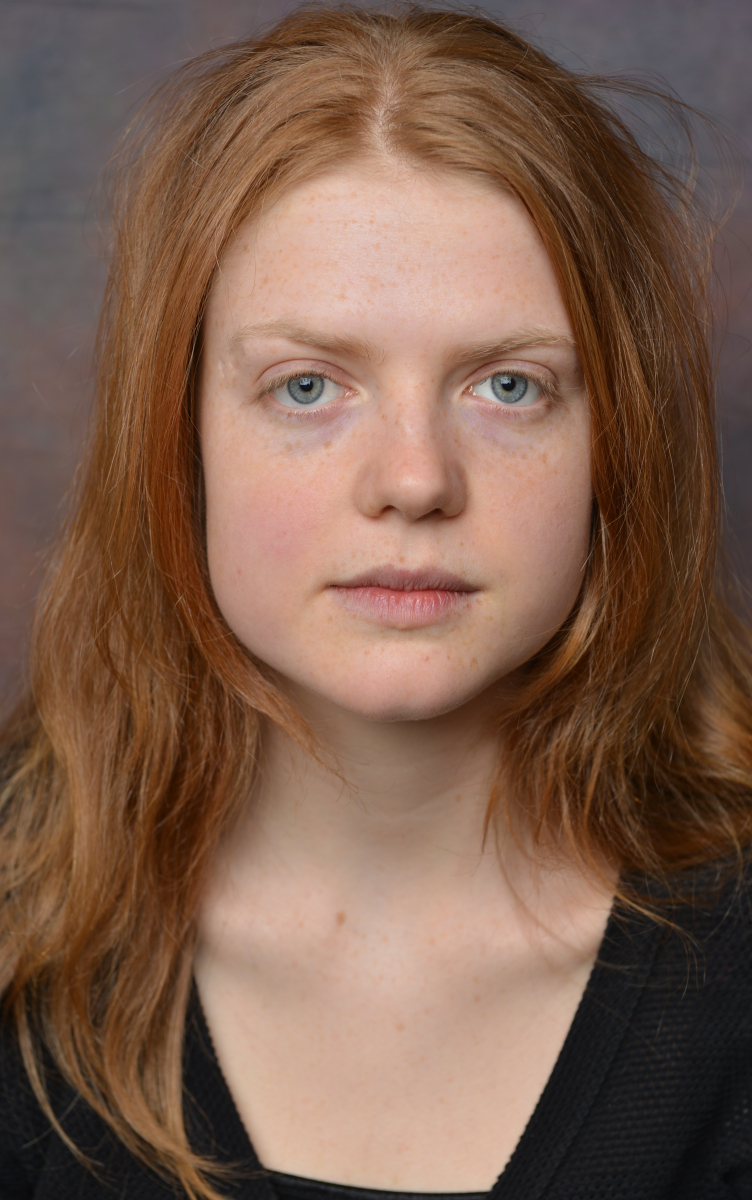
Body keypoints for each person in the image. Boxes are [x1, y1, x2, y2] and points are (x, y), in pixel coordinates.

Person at [0, 5, 750, 1198]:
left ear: (619, 442)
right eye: (307, 386)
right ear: (176, 440)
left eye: (508, 386)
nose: (412, 479)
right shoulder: (21, 945)